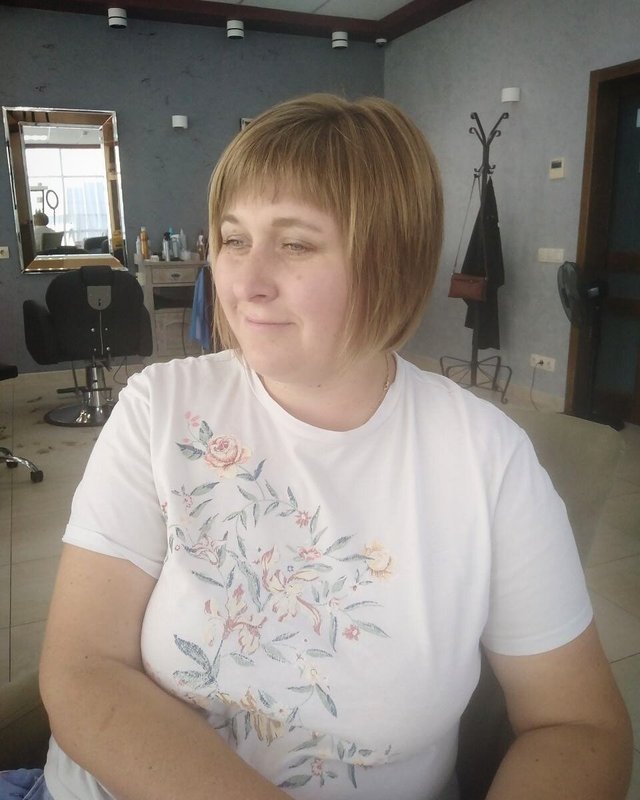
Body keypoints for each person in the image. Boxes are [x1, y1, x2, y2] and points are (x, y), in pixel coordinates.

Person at [12, 94, 632, 800]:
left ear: (390, 260)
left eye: (296, 244)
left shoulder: (486, 459)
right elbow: (84, 667)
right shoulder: (161, 409)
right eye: (234, 239)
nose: (245, 283)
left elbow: (578, 724)